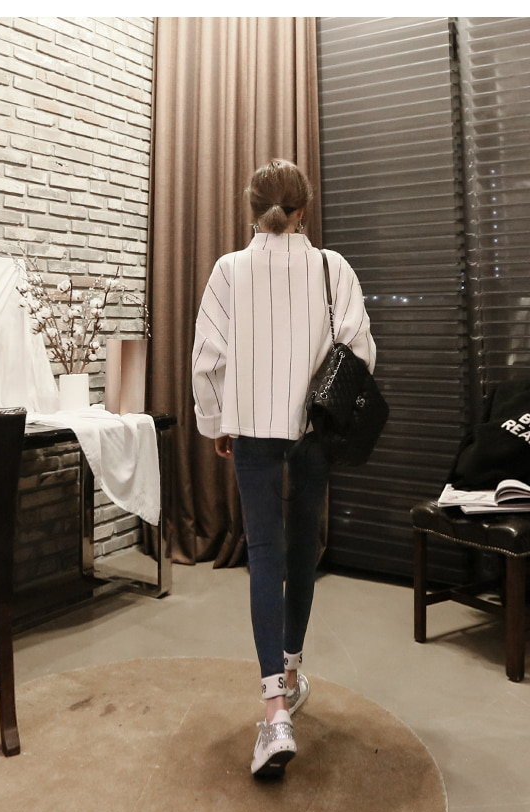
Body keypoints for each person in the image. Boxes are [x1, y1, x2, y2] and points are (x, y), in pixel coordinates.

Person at [192, 158, 376, 778]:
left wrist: (217, 421)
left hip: (251, 431)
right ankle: (292, 673)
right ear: (303, 210)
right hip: (314, 434)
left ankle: (274, 711)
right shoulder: (332, 267)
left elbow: (207, 360)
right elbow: (360, 350)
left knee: (265, 555)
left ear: (252, 210)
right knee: (302, 549)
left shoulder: (228, 270)